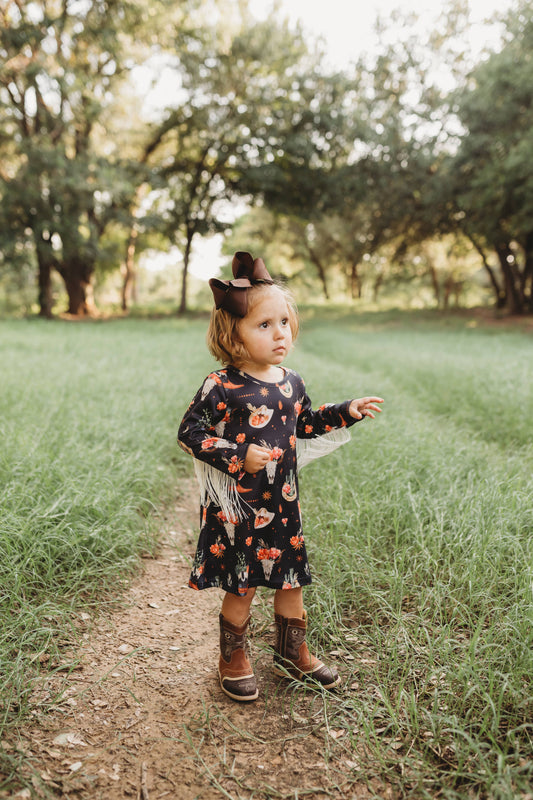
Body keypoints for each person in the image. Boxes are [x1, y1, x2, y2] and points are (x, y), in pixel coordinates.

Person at [178, 251, 383, 702]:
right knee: (243, 584)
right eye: (264, 325)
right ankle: (233, 658)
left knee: (291, 580)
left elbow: (304, 424)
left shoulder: (292, 382)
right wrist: (236, 455)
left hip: (283, 503)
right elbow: (189, 433)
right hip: (238, 508)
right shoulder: (221, 385)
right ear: (233, 334)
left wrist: (345, 411)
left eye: (285, 323)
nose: (279, 333)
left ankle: (293, 654)